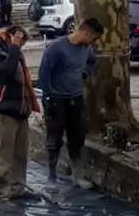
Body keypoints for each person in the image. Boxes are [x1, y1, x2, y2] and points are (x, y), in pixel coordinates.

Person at [38, 18, 104, 189]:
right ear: (85, 32)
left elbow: (92, 62)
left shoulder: (86, 49)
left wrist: (84, 74)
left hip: (76, 98)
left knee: (77, 136)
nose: (94, 42)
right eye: (94, 38)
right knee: (54, 138)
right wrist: (49, 95)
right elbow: (44, 73)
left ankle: (78, 175)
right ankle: (51, 176)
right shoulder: (56, 48)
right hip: (56, 99)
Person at [0, 25, 40, 202]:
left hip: (21, 110)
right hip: (6, 110)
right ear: (10, 37)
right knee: (5, 154)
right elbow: (7, 73)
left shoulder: (16, 54)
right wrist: (15, 48)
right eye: (19, 41)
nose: (21, 45)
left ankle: (17, 189)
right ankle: (1, 193)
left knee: (20, 154)